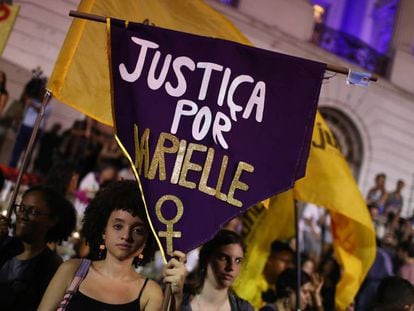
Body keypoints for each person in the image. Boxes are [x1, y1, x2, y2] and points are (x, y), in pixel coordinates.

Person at [39, 180, 186, 310]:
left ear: (149, 239)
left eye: (138, 230)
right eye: (118, 226)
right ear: (104, 231)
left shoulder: (150, 293)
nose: (126, 236)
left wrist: (176, 300)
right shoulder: (72, 270)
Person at [0, 185, 76, 310]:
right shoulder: (4, 244)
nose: (23, 216)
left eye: (33, 212)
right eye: (21, 208)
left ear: (52, 220)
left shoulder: (51, 265)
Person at [182, 229, 253, 310]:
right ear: (206, 259)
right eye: (224, 258)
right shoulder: (178, 298)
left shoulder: (244, 309)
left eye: (237, 261)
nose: (231, 267)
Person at [9, 75, 52, 168]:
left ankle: (22, 168)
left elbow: (40, 111)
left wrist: (32, 105)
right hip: (25, 126)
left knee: (28, 151)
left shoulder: (48, 107)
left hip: (35, 130)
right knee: (17, 148)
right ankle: (11, 166)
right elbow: (25, 98)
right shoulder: (33, 100)